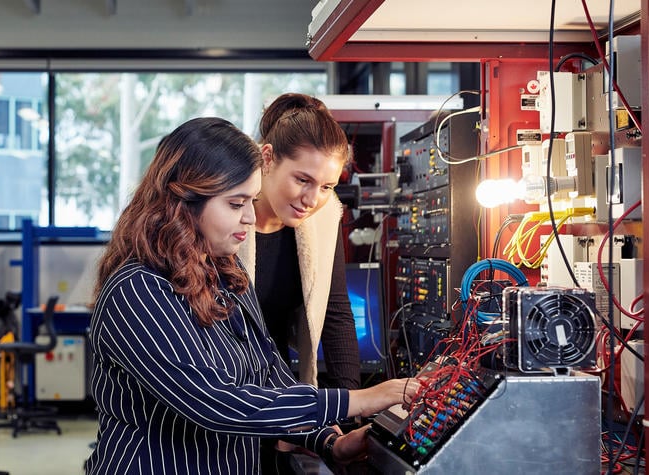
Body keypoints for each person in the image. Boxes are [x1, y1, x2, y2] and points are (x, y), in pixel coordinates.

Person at [86, 117, 419, 474]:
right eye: (235, 204)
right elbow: (215, 402)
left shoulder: (226, 272)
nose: (248, 218)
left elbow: (268, 375)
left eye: (252, 201)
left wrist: (327, 440)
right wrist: (360, 400)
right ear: (183, 201)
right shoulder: (138, 289)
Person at [238, 92, 360, 390]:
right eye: (303, 180)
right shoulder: (226, 212)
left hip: (276, 382)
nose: (312, 199)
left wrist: (353, 411)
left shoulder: (324, 218)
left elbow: (336, 315)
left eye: (326, 186)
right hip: (222, 388)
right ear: (267, 158)